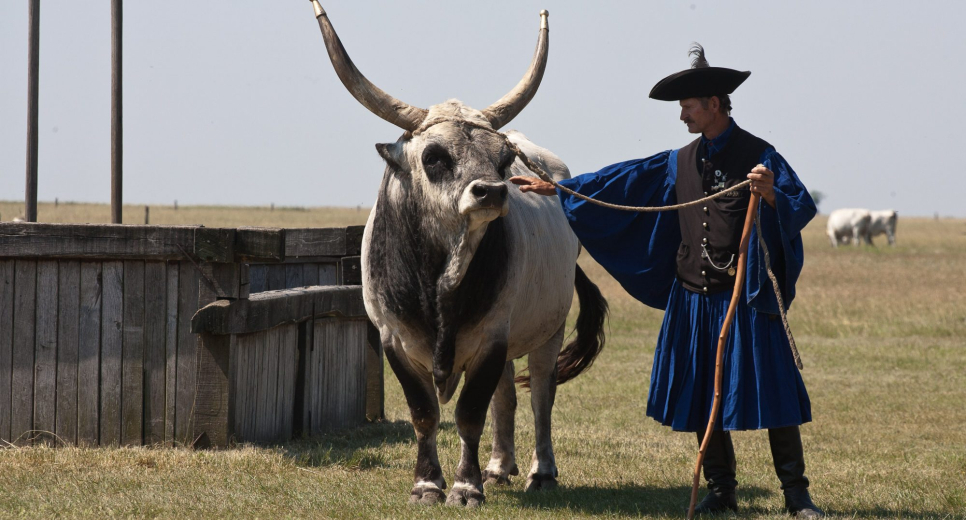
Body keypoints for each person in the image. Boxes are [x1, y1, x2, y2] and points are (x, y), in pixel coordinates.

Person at [510, 44, 824, 518]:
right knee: (703, 396)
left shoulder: (760, 155)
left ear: (714, 104)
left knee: (774, 392)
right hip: (693, 299)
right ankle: (722, 491)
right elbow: (624, 182)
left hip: (745, 299)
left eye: (688, 106)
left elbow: (801, 206)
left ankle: (796, 496)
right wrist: (563, 189)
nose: (682, 116)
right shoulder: (678, 162)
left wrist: (771, 193)